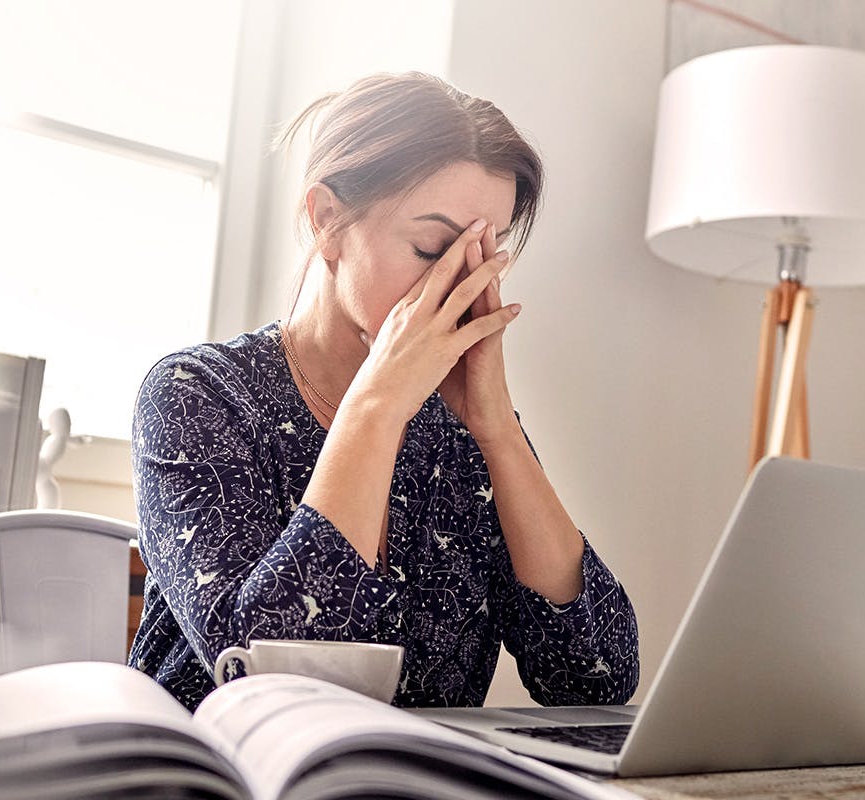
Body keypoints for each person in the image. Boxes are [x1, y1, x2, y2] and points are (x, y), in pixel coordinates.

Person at [127, 72, 640, 711]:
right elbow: (275, 676)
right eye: (433, 247)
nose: (463, 283)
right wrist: (377, 406)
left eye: (488, 254)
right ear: (327, 220)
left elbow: (597, 679)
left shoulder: (463, 430)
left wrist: (499, 431)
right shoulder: (197, 396)